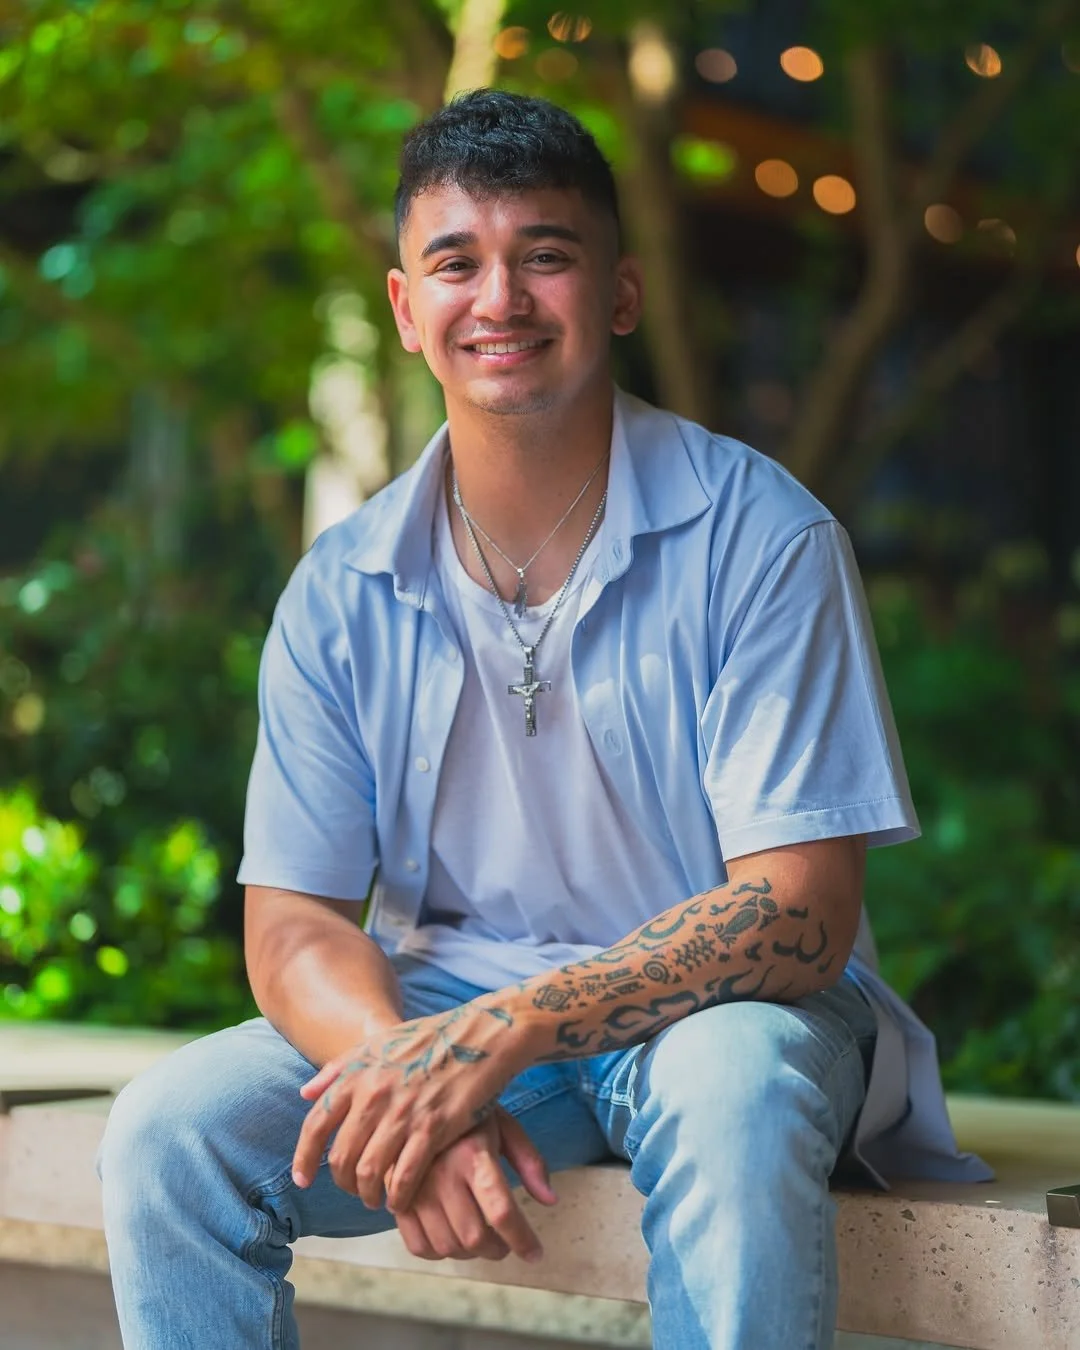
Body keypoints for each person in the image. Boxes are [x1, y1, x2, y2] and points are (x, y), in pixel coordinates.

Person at [98, 90, 989, 1350]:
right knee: (171, 1134)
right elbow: (294, 923)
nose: (500, 299)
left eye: (547, 256)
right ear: (408, 309)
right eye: (457, 262)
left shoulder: (763, 538)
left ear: (619, 294)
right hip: (452, 1001)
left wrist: (508, 1033)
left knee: (731, 1092)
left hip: (725, 1015)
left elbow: (801, 911)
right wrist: (421, 1074)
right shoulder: (341, 587)